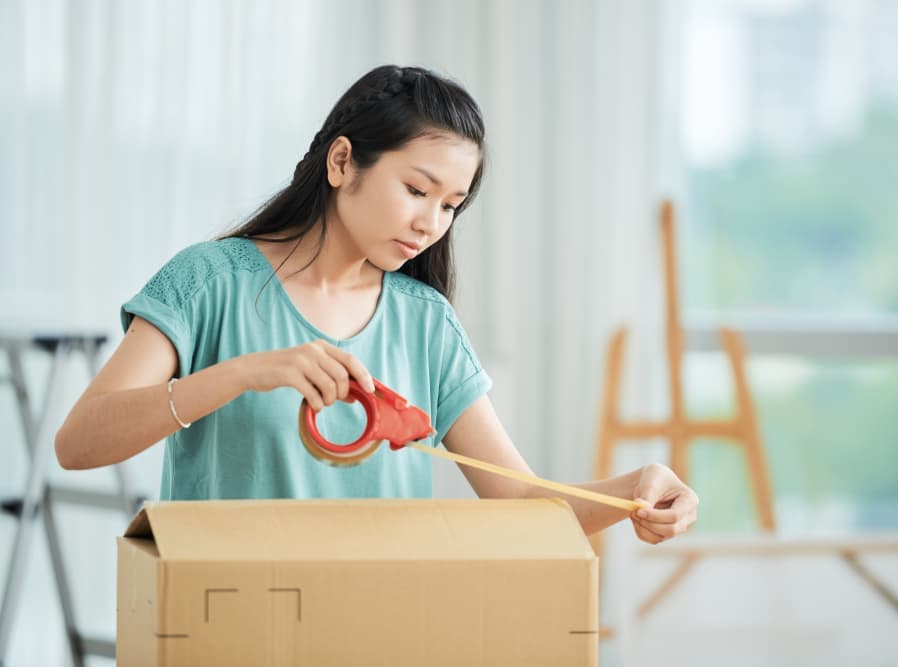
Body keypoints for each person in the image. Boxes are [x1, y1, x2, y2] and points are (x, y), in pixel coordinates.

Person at [55, 64, 697, 544]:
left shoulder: (425, 322)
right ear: (342, 162)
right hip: (228, 624)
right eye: (417, 189)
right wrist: (243, 374)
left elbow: (520, 499)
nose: (430, 223)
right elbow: (79, 442)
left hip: (379, 626)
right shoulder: (208, 281)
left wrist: (634, 491)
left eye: (451, 205)